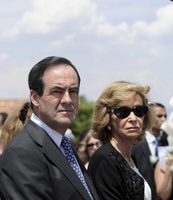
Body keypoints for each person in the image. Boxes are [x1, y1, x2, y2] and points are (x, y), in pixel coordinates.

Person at [0, 56, 99, 200]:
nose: (67, 99)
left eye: (73, 91)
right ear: (35, 98)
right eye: (57, 91)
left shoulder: (64, 145)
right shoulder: (22, 153)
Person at [88, 81, 152, 200]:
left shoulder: (130, 157)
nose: (133, 118)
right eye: (123, 112)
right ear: (107, 118)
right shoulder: (105, 160)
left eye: (139, 111)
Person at [132, 102, 169, 200]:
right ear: (149, 117)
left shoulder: (169, 142)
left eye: (165, 116)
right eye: (159, 116)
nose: (164, 119)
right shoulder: (135, 144)